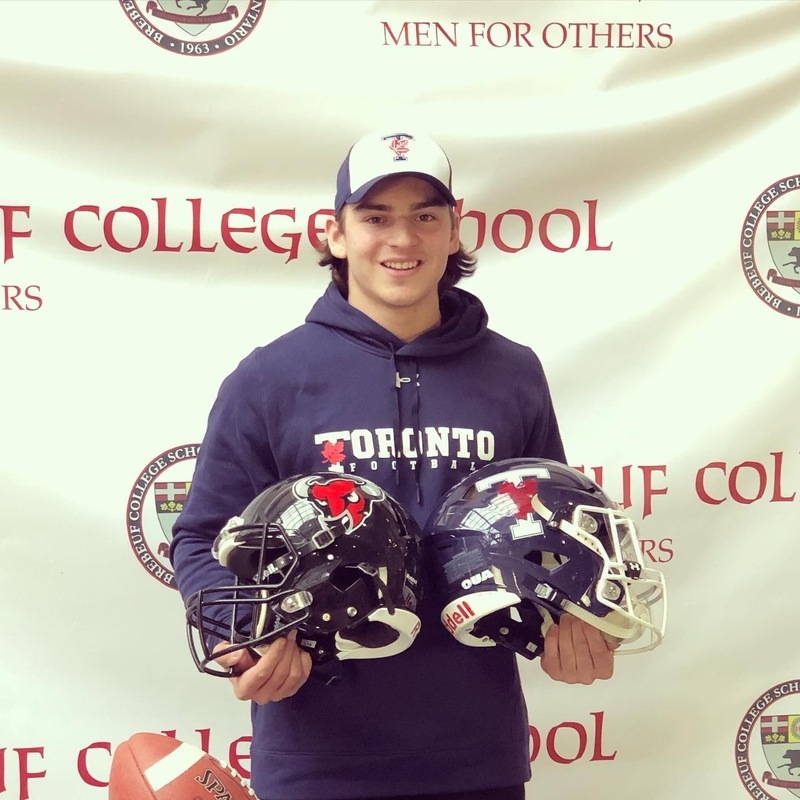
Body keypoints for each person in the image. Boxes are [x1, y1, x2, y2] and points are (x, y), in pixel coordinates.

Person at [170, 130, 617, 800]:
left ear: (453, 231)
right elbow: (200, 537)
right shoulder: (269, 378)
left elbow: (553, 531)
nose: (401, 240)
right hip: (315, 757)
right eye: (375, 217)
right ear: (337, 235)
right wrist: (246, 637)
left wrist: (576, 619)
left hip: (476, 757)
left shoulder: (512, 374)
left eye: (424, 217)